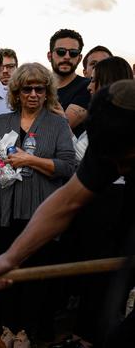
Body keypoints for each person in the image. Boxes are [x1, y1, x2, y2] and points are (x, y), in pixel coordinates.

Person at [0, 79, 135, 347]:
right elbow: (66, 201)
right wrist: (10, 257)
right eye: (115, 162)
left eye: (128, 161)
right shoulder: (112, 141)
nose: (120, 169)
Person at [0, 63, 78, 339]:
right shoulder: (3, 122)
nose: (34, 93)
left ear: (47, 91)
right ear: (17, 91)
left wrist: (31, 160)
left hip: (40, 212)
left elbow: (68, 166)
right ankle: (7, 327)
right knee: (6, 273)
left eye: (40, 88)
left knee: (35, 276)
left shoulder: (57, 123)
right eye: (28, 88)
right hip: (6, 209)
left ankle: (28, 331)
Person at [59, 56, 133, 348]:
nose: (89, 86)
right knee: (89, 270)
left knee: (102, 274)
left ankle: (91, 337)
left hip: (110, 205)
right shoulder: (101, 123)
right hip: (92, 201)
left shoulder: (117, 129)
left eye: (95, 80)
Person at [48, 28, 91, 137]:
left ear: (79, 58)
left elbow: (58, 129)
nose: (67, 57)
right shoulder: (39, 87)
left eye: (73, 53)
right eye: (61, 52)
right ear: (49, 56)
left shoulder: (88, 87)